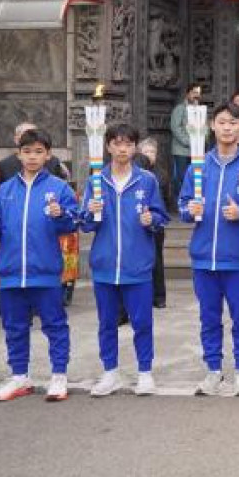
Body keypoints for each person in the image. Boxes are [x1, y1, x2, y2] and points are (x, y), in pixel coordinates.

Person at [178, 101, 239, 397]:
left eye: (233, 123)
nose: (227, 128)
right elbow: (183, 207)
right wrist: (190, 210)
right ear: (212, 126)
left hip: (238, 259)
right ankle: (213, 370)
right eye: (222, 122)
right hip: (204, 258)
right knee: (209, 318)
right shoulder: (197, 166)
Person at [0, 127, 78, 402]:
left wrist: (61, 215)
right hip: (11, 273)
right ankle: (19, 377)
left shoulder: (59, 188)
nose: (32, 157)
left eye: (38, 152)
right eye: (27, 151)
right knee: (14, 327)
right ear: (18, 154)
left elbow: (72, 223)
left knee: (54, 325)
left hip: (45, 272)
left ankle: (59, 376)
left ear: (48, 155)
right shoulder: (4, 191)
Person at [79, 123, 169, 397]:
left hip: (137, 265)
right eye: (117, 143)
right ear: (108, 146)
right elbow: (85, 225)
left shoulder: (147, 181)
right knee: (107, 323)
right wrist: (90, 212)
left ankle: (145, 373)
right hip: (105, 266)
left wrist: (151, 219)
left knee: (142, 323)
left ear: (135, 148)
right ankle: (110, 373)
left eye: (128, 144)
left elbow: (161, 216)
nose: (122, 149)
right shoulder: (96, 181)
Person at [135, 138, 168, 308]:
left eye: (152, 152)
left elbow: (166, 198)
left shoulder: (160, 175)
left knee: (157, 259)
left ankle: (159, 296)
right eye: (146, 152)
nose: (149, 155)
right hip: (136, 223)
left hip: (155, 222)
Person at [170, 82, 203, 194]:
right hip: (182, 151)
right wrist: (188, 141)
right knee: (181, 178)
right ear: (188, 94)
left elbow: (204, 127)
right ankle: (180, 200)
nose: (196, 95)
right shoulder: (180, 109)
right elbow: (175, 127)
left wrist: (203, 138)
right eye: (194, 92)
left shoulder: (200, 110)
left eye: (198, 93)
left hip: (197, 151)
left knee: (195, 177)